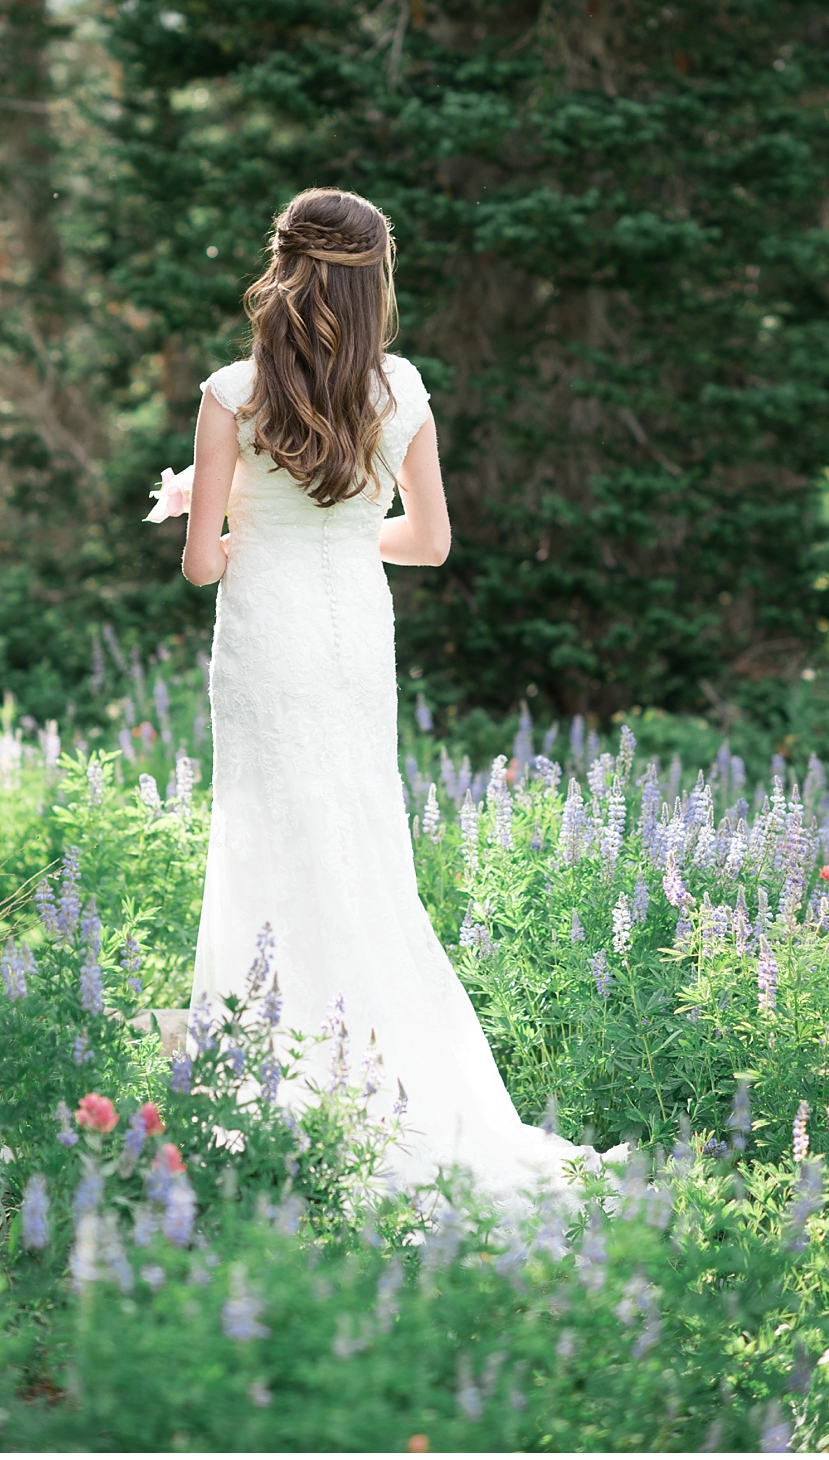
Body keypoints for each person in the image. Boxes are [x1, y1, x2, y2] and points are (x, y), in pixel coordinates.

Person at [173, 186, 589, 1198]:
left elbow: (200, 568)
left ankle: (262, 1078)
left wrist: (208, 513)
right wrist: (352, 530)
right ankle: (395, 1077)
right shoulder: (400, 389)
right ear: (375, 280)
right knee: (359, 837)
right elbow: (431, 541)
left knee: (269, 836)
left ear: (281, 268)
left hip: (268, 639)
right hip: (353, 636)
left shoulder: (231, 391)